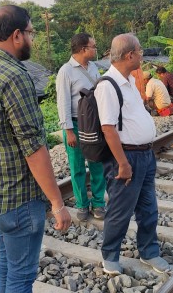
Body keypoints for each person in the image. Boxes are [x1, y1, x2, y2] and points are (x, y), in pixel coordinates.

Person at [0, 5, 71, 293]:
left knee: (9, 267)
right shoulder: (14, 75)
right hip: (20, 198)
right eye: (31, 33)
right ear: (16, 35)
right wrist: (58, 204)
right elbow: (33, 148)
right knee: (22, 277)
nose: (32, 40)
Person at [95, 33, 171, 275]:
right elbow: (108, 128)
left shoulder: (129, 82)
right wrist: (122, 163)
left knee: (148, 207)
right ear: (129, 55)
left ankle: (149, 251)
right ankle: (110, 256)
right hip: (127, 157)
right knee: (120, 209)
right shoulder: (108, 85)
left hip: (145, 156)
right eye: (139, 51)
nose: (141, 55)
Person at [55, 33, 106, 221]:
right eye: (93, 46)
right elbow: (63, 103)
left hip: (93, 124)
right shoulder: (66, 71)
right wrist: (68, 130)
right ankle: (82, 204)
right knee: (77, 167)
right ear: (83, 49)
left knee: (97, 163)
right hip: (75, 125)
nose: (95, 49)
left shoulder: (93, 67)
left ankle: (99, 203)